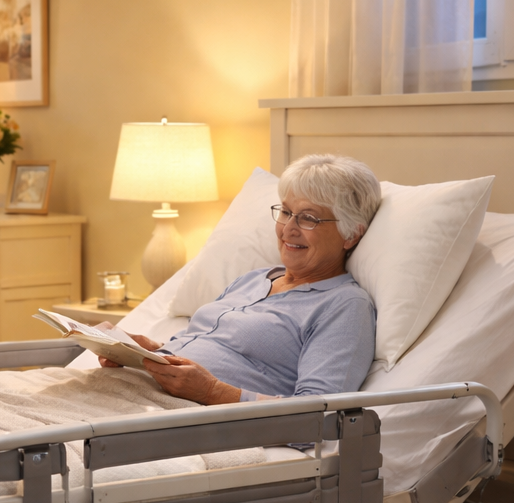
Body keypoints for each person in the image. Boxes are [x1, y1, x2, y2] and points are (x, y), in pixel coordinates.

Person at [101, 153, 381, 405]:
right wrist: (148, 351)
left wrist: (212, 392)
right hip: (136, 390)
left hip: (179, 413)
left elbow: (319, 414)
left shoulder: (344, 306)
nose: (288, 229)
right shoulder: (254, 279)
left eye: (308, 218)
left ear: (351, 235)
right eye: (285, 212)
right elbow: (206, 348)